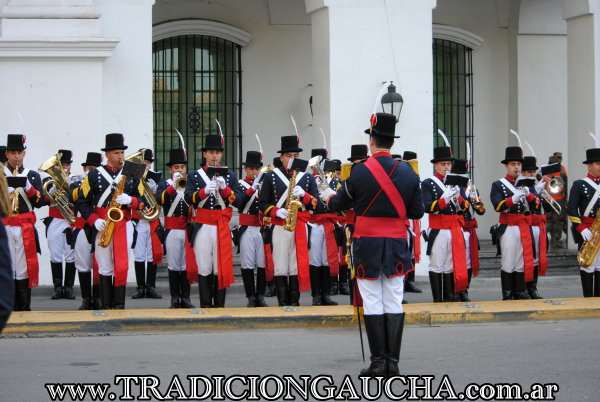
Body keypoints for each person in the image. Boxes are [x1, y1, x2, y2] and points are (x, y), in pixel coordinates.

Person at [320, 112, 424, 377]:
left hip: (366, 243)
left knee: (373, 301)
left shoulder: (359, 172)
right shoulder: (409, 173)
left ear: (372, 142)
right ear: (392, 142)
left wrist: (328, 195)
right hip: (397, 244)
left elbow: (338, 205)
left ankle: (378, 362)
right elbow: (416, 212)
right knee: (394, 299)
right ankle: (393, 363)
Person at [75, 133, 145, 309]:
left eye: (122, 152)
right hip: (102, 224)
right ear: (107, 155)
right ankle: (106, 305)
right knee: (104, 266)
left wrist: (131, 201)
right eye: (116, 153)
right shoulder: (93, 175)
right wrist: (93, 220)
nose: (120, 156)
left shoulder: (133, 172)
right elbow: (81, 201)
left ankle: (119, 305)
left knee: (122, 265)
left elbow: (143, 200)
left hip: (125, 224)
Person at [258, 135, 319, 307]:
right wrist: (277, 211)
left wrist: (305, 195)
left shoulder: (306, 178)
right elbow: (263, 203)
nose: (292, 159)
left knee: (295, 264)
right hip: (280, 225)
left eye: (296, 156)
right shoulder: (271, 176)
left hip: (300, 225)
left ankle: (295, 301)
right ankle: (282, 302)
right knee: (280, 264)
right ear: (281, 158)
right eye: (289, 156)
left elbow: (316, 204)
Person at [184, 135, 239, 308]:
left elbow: (239, 200)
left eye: (217, 152)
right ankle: (206, 304)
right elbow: (187, 198)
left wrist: (225, 189)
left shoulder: (230, 176)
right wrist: (203, 192)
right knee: (204, 265)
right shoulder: (194, 175)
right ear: (205, 154)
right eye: (211, 152)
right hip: (203, 224)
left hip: (221, 224)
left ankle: (219, 304)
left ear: (221, 155)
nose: (214, 156)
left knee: (219, 266)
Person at [490, 146, 539, 300]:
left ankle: (520, 292)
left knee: (521, 261)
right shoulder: (498, 184)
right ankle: (508, 294)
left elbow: (536, 206)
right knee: (508, 260)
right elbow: (497, 205)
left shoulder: (527, 184)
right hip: (509, 227)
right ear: (506, 166)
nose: (516, 167)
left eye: (518, 164)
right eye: (513, 164)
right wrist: (513, 198)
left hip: (524, 226)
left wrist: (530, 194)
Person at [3, 134, 45, 311]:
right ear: (6, 154)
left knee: (23, 267)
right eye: (13, 153)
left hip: (24, 227)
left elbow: (41, 202)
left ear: (24, 154)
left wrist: (29, 188)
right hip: (5, 226)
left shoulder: (32, 175)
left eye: (20, 152)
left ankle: (23, 305)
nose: (16, 156)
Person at [422, 145, 468, 302]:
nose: (446, 167)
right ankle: (438, 299)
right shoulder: (428, 183)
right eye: (443, 164)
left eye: (448, 164)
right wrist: (444, 199)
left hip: (454, 228)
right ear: (435, 165)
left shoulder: (456, 182)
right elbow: (427, 206)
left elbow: (465, 207)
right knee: (437, 264)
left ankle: (449, 298)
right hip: (438, 228)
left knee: (450, 265)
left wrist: (459, 196)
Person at [157, 148, 195, 309]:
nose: (179, 170)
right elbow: (160, 200)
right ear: (170, 170)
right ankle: (174, 298)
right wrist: (173, 186)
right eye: (176, 167)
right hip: (172, 230)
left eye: (182, 167)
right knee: (173, 265)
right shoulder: (164, 184)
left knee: (186, 265)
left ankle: (186, 297)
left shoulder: (190, 184)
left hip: (187, 229)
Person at [42, 149, 77, 300]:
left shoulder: (76, 180)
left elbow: (79, 199)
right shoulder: (48, 181)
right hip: (55, 220)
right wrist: (54, 188)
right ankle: (57, 288)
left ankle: (68, 288)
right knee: (55, 254)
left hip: (70, 221)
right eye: (61, 165)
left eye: (67, 164)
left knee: (71, 255)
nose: (64, 167)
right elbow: (44, 200)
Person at [70, 152, 103, 310]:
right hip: (82, 226)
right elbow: (73, 197)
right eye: (90, 168)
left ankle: (97, 298)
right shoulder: (76, 183)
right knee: (82, 263)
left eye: (95, 168)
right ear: (84, 169)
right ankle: (86, 298)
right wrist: (86, 183)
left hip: (98, 226)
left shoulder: (101, 185)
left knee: (99, 263)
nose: (92, 171)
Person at [235, 151, 268, 307]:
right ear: (246, 170)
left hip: (262, 227)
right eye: (251, 169)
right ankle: (250, 296)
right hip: (247, 227)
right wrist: (252, 189)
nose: (254, 172)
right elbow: (239, 203)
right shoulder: (240, 184)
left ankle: (261, 294)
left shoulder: (265, 184)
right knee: (247, 263)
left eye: (257, 169)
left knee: (262, 263)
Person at [450, 158, 485, 301]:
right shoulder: (451, 188)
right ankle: (455, 289)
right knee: (456, 261)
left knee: (469, 262)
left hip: (470, 228)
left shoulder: (472, 188)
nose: (463, 178)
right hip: (457, 227)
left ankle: (465, 290)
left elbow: (481, 211)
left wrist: (476, 202)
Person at [308, 148, 339, 306]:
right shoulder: (309, 180)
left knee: (327, 259)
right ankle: (316, 294)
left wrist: (329, 191)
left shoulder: (333, 181)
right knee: (315, 259)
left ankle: (326, 293)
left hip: (329, 223)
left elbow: (339, 201)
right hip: (314, 222)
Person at [567, 147, 600, 297]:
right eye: (598, 163)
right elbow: (571, 210)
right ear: (589, 166)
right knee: (587, 265)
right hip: (587, 230)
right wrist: (581, 228)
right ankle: (588, 299)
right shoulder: (580, 185)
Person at [131, 149, 163, 300]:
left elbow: (163, 198)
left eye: (148, 162)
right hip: (138, 220)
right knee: (139, 254)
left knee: (152, 254)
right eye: (144, 162)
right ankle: (140, 287)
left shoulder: (157, 178)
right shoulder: (132, 177)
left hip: (152, 220)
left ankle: (151, 287)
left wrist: (155, 191)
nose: (146, 165)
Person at [521, 156, 547, 299]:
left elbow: (547, 208)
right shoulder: (522, 187)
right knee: (527, 258)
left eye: (533, 172)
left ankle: (533, 288)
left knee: (537, 258)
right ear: (523, 173)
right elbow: (526, 206)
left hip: (539, 226)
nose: (532, 174)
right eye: (529, 172)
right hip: (528, 225)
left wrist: (544, 194)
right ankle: (524, 288)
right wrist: (535, 192)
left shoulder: (536, 186)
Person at [401, 151, 423, 294]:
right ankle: (402, 281)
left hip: (413, 218)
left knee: (412, 252)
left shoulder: (416, 178)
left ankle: (410, 280)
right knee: (404, 251)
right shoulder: (403, 177)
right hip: (404, 218)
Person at [546, 154, 568, 249]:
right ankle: (554, 241)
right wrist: (565, 200)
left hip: (548, 200)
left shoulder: (543, 173)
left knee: (550, 220)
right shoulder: (561, 173)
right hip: (557, 200)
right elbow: (566, 188)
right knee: (557, 221)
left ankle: (549, 240)